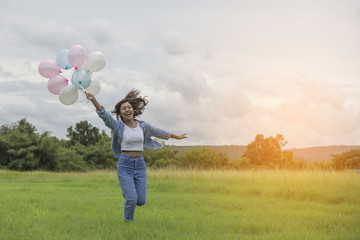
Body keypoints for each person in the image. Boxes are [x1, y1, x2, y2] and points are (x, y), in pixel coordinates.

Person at [85, 89, 187, 222]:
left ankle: (128, 192)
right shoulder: (118, 126)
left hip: (140, 164)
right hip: (125, 164)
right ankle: (128, 221)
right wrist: (93, 99)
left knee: (141, 201)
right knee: (132, 199)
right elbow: (104, 116)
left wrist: (177, 137)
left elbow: (159, 132)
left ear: (133, 110)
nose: (127, 110)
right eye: (123, 109)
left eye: (129, 107)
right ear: (120, 113)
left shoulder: (143, 126)